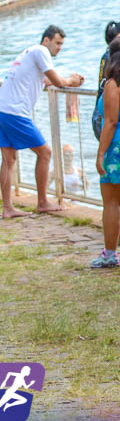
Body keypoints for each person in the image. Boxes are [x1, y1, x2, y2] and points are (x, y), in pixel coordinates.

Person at [0, 25, 84, 218]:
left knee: (8, 160)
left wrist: (67, 80)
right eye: (57, 43)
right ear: (46, 40)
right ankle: (42, 202)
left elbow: (44, 81)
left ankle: (8, 208)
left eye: (62, 44)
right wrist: (70, 80)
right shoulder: (41, 51)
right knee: (45, 153)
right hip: (14, 113)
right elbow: (57, 81)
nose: (59, 47)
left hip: (0, 109)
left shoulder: (30, 53)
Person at [94, 43, 120, 268]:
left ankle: (110, 254)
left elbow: (110, 122)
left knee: (111, 202)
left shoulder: (113, 85)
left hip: (116, 148)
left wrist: (101, 153)